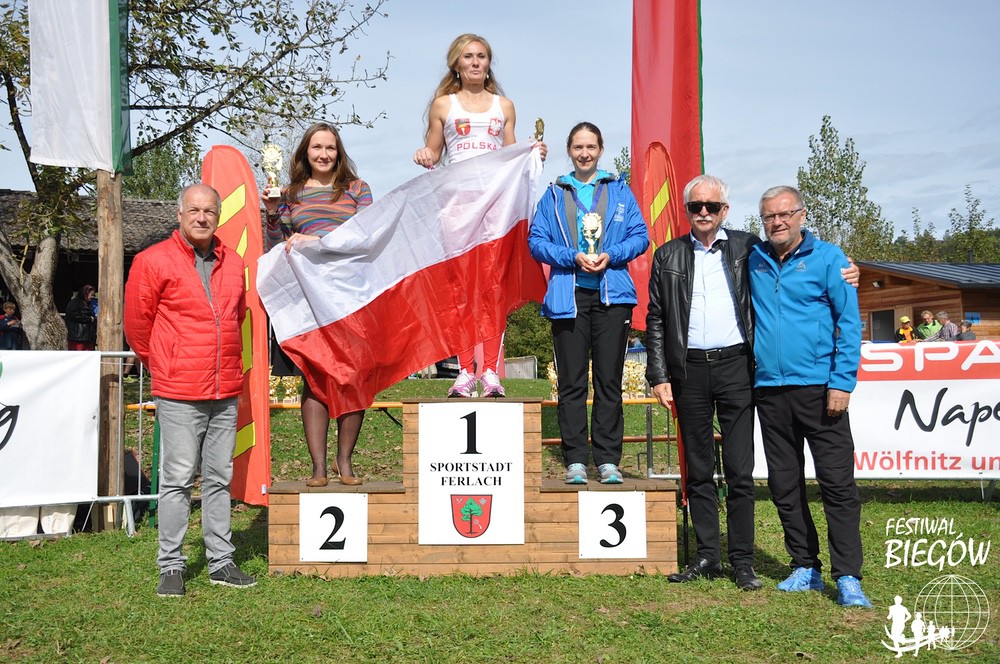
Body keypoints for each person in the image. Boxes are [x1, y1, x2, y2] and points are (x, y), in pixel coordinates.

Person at [124, 183, 256, 597]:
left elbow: (236, 316)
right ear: (179, 215)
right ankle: (171, 565)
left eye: (209, 211)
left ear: (218, 216)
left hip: (225, 388)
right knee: (178, 479)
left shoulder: (234, 263)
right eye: (194, 210)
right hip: (179, 389)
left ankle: (221, 561)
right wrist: (166, 362)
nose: (202, 217)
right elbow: (137, 326)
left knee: (219, 477)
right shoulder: (151, 261)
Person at [749, 185, 871, 608]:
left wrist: (842, 382)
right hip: (770, 390)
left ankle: (848, 576)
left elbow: (849, 324)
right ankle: (805, 566)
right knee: (784, 484)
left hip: (821, 389)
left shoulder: (830, 259)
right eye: (769, 216)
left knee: (837, 484)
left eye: (785, 214)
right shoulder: (754, 258)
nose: (777, 222)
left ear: (802, 215)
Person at [413, 33, 546, 398]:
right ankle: (463, 371)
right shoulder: (444, 105)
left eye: (482, 56)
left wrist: (532, 154)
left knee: (492, 288)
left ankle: (489, 371)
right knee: (460, 289)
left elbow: (511, 154)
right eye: (468, 57)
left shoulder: (504, 106)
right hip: (457, 205)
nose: (475, 62)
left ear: (489, 63)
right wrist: (425, 154)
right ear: (456, 64)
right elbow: (434, 150)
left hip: (495, 207)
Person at [646, 175, 761, 590]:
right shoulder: (668, 255)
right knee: (697, 470)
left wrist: (844, 269)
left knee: (740, 470)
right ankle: (708, 556)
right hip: (688, 370)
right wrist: (658, 374)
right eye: (696, 206)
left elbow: (792, 257)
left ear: (725, 210)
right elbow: (655, 318)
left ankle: (743, 561)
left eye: (712, 206)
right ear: (687, 210)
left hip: (737, 367)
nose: (704, 213)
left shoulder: (749, 248)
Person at [528, 122, 649, 485]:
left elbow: (640, 236)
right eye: (578, 147)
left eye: (591, 147)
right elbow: (536, 241)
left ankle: (608, 459)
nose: (584, 153)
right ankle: (576, 459)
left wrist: (611, 255)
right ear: (569, 151)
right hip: (569, 297)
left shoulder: (620, 191)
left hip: (613, 296)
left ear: (601, 149)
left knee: (609, 381)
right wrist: (572, 256)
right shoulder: (553, 195)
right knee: (572, 383)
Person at [264, 122, 371, 487]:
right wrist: (272, 213)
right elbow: (277, 245)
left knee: (353, 377)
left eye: (330, 147)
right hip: (308, 299)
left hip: (351, 296)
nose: (324, 154)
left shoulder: (357, 189)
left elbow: (366, 235)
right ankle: (319, 468)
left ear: (339, 153)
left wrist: (318, 241)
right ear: (305, 153)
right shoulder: (290, 193)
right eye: (317, 148)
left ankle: (346, 463)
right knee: (315, 378)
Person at [65, 284, 97, 350]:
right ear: (86, 293)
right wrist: (89, 319)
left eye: (93, 295)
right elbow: (76, 315)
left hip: (87, 337)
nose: (92, 297)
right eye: (91, 295)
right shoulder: (75, 303)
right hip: (77, 337)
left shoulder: (89, 304)